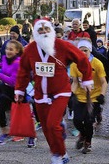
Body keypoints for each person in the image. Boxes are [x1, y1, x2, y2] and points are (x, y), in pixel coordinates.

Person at [14, 18, 93, 164]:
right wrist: (19, 90)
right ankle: (55, 152)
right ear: (36, 33)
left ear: (51, 31)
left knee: (52, 124)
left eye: (47, 29)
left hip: (60, 91)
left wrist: (87, 78)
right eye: (40, 30)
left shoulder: (62, 45)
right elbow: (23, 70)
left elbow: (81, 58)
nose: (44, 32)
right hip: (40, 93)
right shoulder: (30, 49)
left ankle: (61, 154)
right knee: (46, 127)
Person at [71, 39, 107, 154]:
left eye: (85, 50)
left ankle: (88, 142)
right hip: (80, 96)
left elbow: (104, 82)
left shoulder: (97, 63)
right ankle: (83, 135)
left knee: (88, 121)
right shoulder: (74, 64)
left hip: (94, 97)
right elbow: (75, 82)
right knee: (76, 120)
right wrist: (71, 94)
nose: (83, 53)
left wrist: (102, 95)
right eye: (80, 51)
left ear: (90, 51)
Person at [0, 39, 22, 144]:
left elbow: (13, 81)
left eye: (11, 49)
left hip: (17, 90)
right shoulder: (4, 58)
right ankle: (5, 131)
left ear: (17, 51)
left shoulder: (18, 63)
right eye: (7, 48)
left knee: (17, 113)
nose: (8, 51)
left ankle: (21, 133)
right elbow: (2, 64)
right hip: (6, 89)